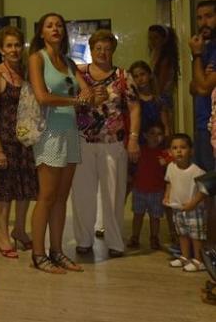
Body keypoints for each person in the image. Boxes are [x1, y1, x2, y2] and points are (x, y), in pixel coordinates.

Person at [28, 12, 94, 274]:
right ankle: (38, 254)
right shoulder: (37, 58)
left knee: (61, 198)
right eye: (49, 25)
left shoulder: (68, 61)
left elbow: (85, 90)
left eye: (58, 25)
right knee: (46, 197)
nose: (55, 29)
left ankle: (57, 251)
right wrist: (77, 101)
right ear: (41, 32)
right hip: (49, 133)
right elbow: (43, 97)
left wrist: (88, 93)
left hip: (69, 131)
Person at [72, 30, 141, 259]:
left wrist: (133, 138)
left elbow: (134, 107)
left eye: (107, 48)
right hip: (83, 141)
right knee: (82, 194)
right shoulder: (79, 75)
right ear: (91, 50)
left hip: (113, 142)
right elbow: (68, 103)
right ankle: (83, 239)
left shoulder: (122, 76)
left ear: (113, 50)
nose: (102, 53)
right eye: (98, 48)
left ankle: (115, 241)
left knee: (113, 194)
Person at [0, 26, 37, 259]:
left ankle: (19, 229)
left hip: (25, 140)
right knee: (5, 191)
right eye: (9, 45)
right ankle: (3, 234)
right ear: (1, 49)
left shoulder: (26, 72)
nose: (14, 49)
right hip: (5, 141)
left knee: (25, 188)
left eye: (17, 44)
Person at [164, 133, 208, 272]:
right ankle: (185, 256)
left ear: (191, 151)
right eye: (174, 148)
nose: (178, 151)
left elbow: (203, 191)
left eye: (183, 147)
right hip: (178, 208)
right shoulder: (171, 167)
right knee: (182, 233)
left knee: (196, 235)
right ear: (170, 151)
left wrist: (193, 203)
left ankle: (199, 260)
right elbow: (169, 182)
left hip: (194, 210)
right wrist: (167, 196)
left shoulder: (197, 171)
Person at [127, 122, 172, 250]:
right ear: (145, 135)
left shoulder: (164, 154)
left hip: (157, 191)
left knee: (155, 217)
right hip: (139, 189)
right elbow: (132, 166)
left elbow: (169, 171)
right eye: (152, 133)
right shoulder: (139, 150)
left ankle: (154, 237)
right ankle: (135, 237)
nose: (155, 137)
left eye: (159, 134)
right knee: (137, 215)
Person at [189, 0, 216, 173]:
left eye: (209, 16)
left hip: (212, 126)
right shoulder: (206, 47)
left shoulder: (202, 50)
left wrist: (196, 54)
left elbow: (204, 88)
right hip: (201, 124)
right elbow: (193, 87)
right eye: (199, 18)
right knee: (204, 184)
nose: (203, 23)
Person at [148, 24, 179, 127]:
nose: (152, 41)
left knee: (164, 130)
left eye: (156, 38)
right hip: (157, 97)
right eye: (150, 38)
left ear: (164, 39)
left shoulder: (165, 59)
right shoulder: (155, 55)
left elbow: (160, 85)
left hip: (162, 99)